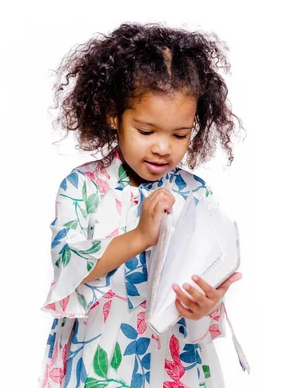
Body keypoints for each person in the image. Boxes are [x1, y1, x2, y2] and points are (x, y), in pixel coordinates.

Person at [38, 22, 246, 388]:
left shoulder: (196, 193)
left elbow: (205, 269)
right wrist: (140, 236)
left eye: (179, 134)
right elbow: (67, 269)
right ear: (113, 115)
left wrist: (206, 303)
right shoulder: (82, 188)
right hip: (101, 356)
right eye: (147, 131)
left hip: (174, 360)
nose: (163, 147)